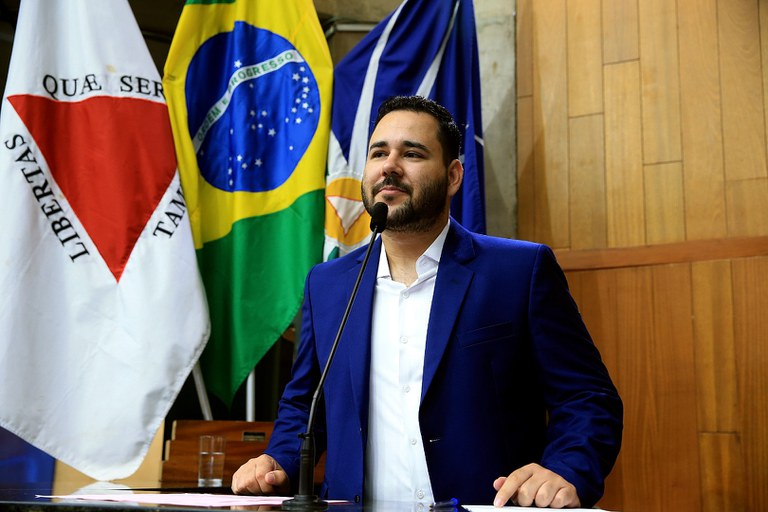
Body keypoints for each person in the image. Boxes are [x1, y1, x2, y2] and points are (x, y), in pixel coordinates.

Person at [231, 96, 623, 508]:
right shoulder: (327, 285)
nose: (390, 166)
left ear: (453, 176)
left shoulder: (519, 272)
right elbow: (305, 403)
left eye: (412, 153)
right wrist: (277, 461)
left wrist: (565, 469)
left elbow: (587, 397)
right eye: (378, 153)